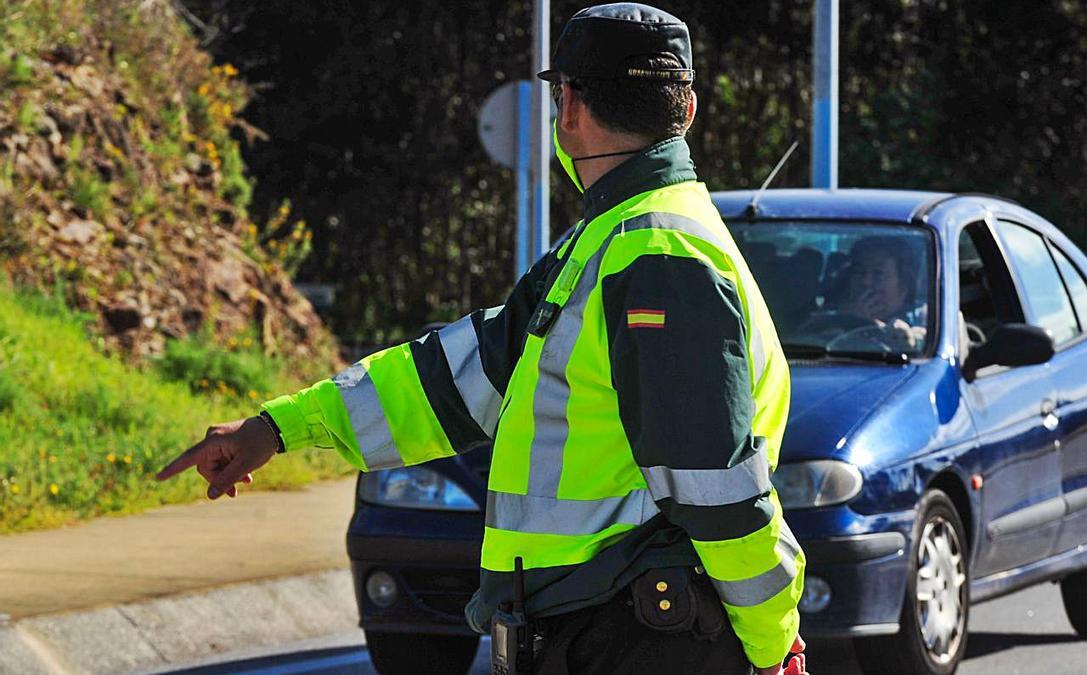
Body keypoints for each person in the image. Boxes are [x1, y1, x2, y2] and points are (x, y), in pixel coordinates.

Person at [157, 4, 806, 674]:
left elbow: (715, 489)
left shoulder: (653, 254)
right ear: (689, 109)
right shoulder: (615, 242)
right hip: (611, 631)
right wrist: (278, 428)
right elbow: (447, 382)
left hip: (635, 638)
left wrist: (770, 641)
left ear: (570, 107)